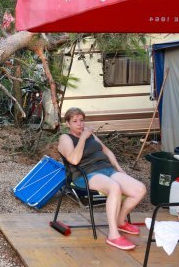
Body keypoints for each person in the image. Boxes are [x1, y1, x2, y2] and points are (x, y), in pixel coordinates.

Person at [57, 107, 147, 250]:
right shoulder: (65, 138)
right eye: (75, 121)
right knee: (114, 187)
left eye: (81, 120)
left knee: (140, 189)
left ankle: (120, 220)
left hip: (107, 170)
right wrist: (83, 138)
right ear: (68, 124)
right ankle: (113, 235)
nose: (79, 124)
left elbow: (107, 151)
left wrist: (119, 169)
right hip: (86, 174)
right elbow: (74, 160)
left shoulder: (91, 135)